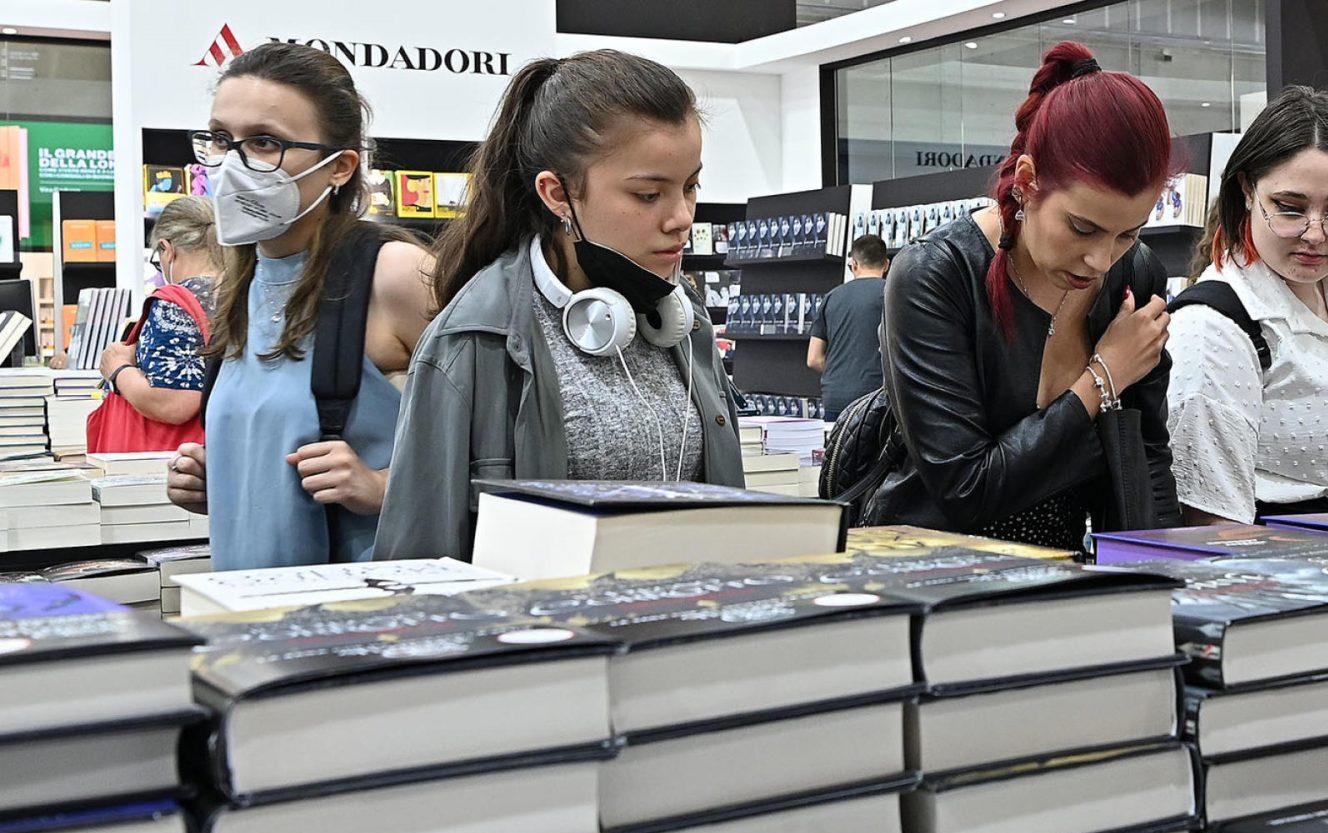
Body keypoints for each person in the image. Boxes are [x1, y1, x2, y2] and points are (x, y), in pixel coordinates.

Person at [375, 50, 743, 561]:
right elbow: (417, 559)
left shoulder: (684, 322)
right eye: (647, 195)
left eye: (690, 186)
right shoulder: (474, 341)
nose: (680, 217)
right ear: (557, 194)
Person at [862, 41, 1176, 546]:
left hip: (1065, 578)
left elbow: (1145, 460)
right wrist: (1103, 377)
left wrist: (1163, 578)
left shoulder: (1134, 277)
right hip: (933, 570)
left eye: (1128, 233)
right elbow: (965, 490)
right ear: (1028, 182)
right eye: (1081, 228)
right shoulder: (936, 274)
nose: (1101, 260)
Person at [166, 42, 436, 571]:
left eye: (265, 142)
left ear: (339, 168)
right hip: (247, 609)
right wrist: (219, 479)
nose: (233, 164)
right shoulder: (236, 288)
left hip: (360, 617)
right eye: (221, 139)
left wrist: (384, 487)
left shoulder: (396, 273)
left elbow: (503, 446)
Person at [1165, 86, 1328, 524]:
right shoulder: (1212, 326)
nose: (1315, 234)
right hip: (1278, 569)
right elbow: (1212, 522)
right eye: (1289, 208)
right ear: (1247, 192)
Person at [97, 196, 220, 440]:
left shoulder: (174, 304)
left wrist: (118, 369)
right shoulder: (245, 291)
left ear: (168, 249)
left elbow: (175, 402)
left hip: (178, 455)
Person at [809, 234, 890, 419]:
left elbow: (813, 359)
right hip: (878, 399)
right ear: (886, 264)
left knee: (836, 448)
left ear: (854, 264)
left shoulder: (831, 297)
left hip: (836, 397)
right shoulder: (892, 294)